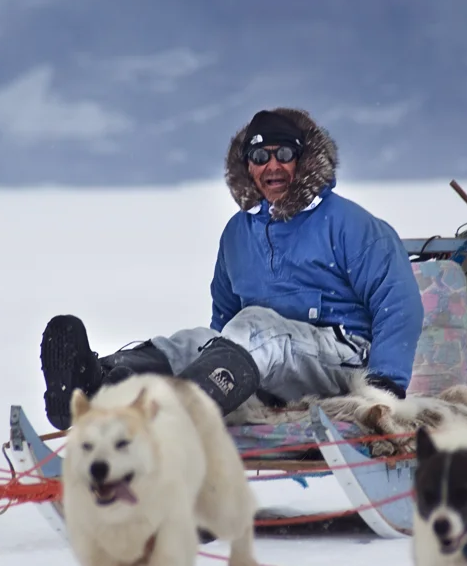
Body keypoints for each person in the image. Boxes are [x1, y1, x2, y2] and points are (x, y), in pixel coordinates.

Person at [39, 107, 425, 430]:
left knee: (256, 327)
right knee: (194, 341)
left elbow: (399, 300)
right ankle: (102, 383)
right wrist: (213, 359)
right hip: (265, 361)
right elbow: (225, 319)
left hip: (344, 357)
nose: (272, 165)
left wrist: (385, 382)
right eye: (260, 157)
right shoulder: (238, 234)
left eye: (284, 155)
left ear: (303, 160)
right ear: (248, 168)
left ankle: (184, 411)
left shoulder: (349, 223)